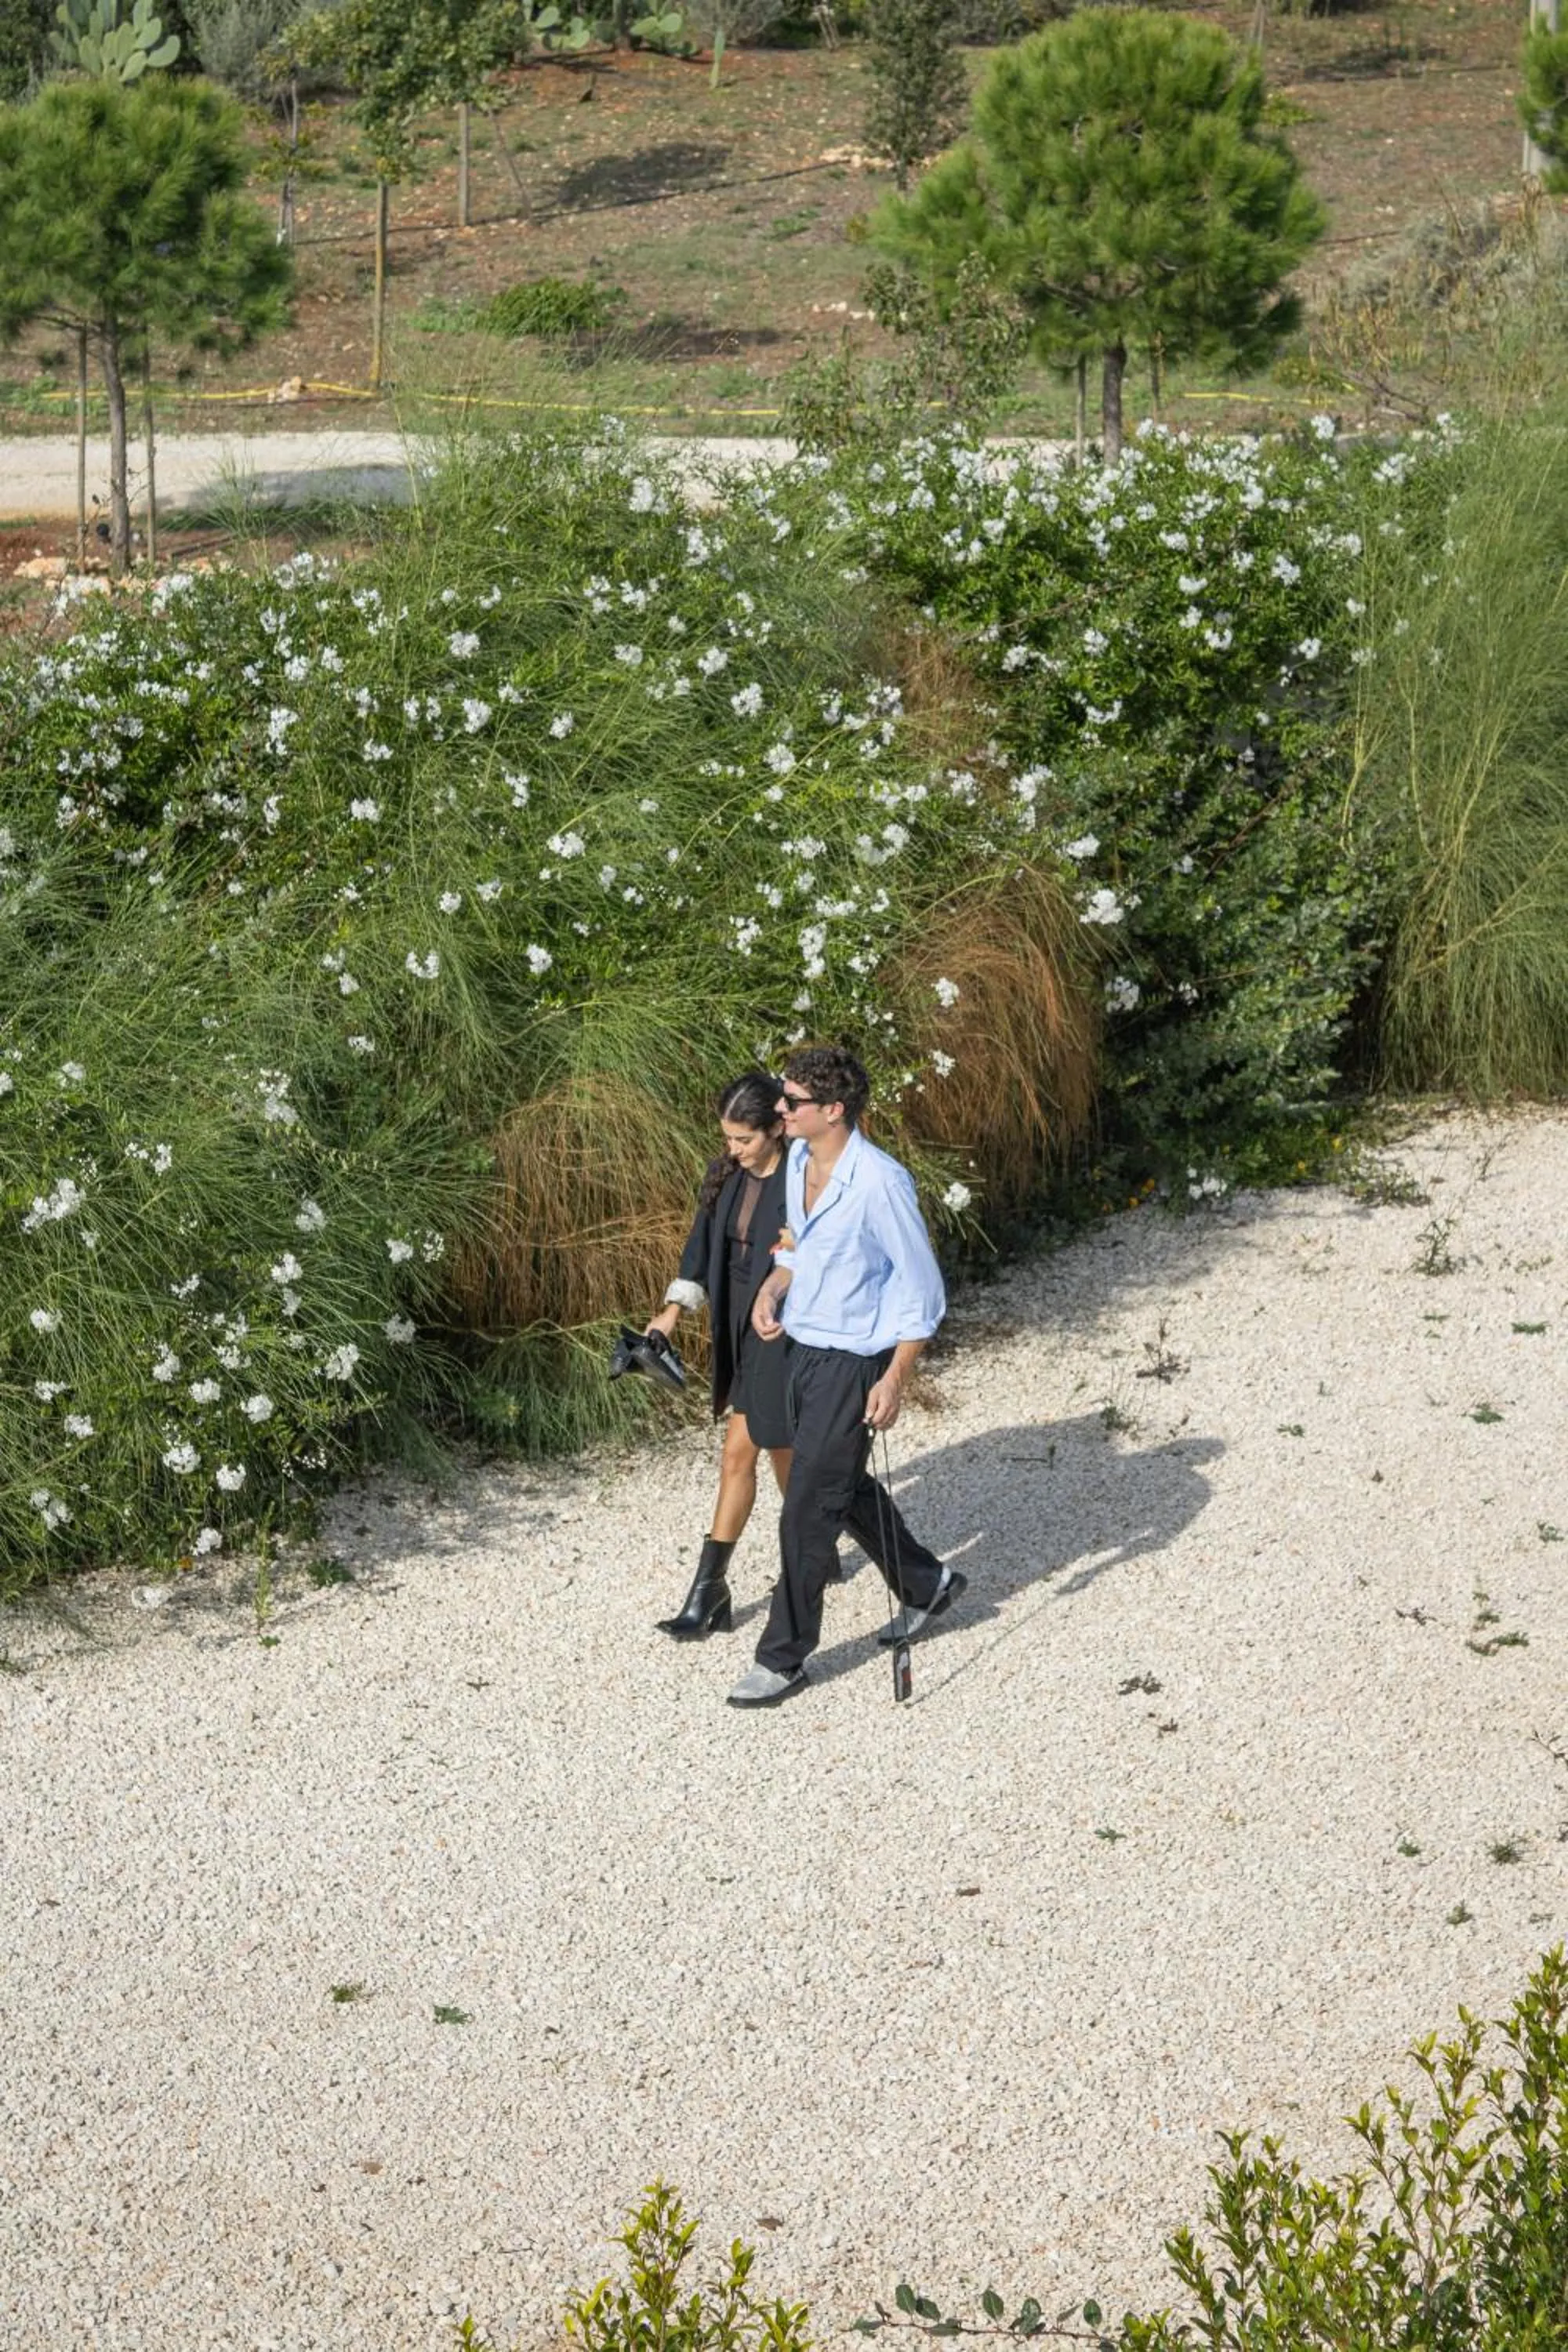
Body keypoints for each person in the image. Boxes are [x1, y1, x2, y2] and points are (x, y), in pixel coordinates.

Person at [726, 1044, 964, 1709]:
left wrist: (894, 1379)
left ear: (833, 1110)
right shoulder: (800, 1158)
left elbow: (924, 1293)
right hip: (802, 1348)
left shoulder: (881, 1183)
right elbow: (798, 1246)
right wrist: (775, 1285)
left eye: (792, 1101)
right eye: (783, 1096)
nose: (780, 1109)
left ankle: (782, 1659)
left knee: (805, 1511)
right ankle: (928, 1584)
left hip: (855, 1363)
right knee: (839, 1483)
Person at [646, 1071, 794, 1639]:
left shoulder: (802, 1176)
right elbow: (700, 1245)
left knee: (739, 1452)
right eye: (728, 1139)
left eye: (744, 1140)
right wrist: (672, 1313)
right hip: (734, 1317)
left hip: (781, 1324)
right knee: (779, 1444)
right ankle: (815, 1543)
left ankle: (707, 1592)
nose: (732, 1151)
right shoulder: (725, 1172)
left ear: (777, 1127)